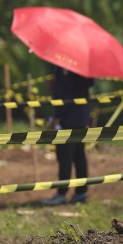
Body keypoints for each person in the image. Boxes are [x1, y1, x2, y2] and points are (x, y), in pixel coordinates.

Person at [41, 65, 94, 206]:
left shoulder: (64, 65)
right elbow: (89, 83)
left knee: (65, 156)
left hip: (68, 118)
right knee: (79, 156)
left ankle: (61, 193)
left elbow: (65, 92)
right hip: (81, 117)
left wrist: (57, 117)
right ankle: (81, 192)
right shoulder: (83, 66)